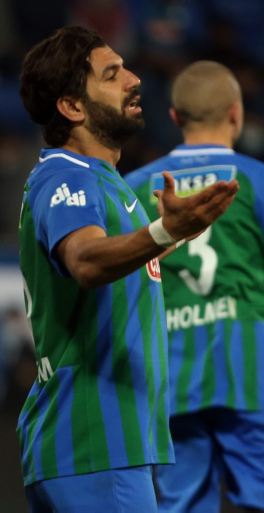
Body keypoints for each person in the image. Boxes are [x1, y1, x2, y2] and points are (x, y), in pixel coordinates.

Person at [16, 27, 239, 512]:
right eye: (112, 74)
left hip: (106, 446)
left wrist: (170, 235)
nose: (134, 79)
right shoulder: (64, 175)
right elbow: (86, 262)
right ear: (72, 107)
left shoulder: (108, 185)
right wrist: (165, 232)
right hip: (94, 441)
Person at [124, 61, 264, 512]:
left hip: (170, 376)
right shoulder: (256, 180)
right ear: (237, 115)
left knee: (182, 505)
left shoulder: (134, 189)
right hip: (252, 375)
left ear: (175, 118)